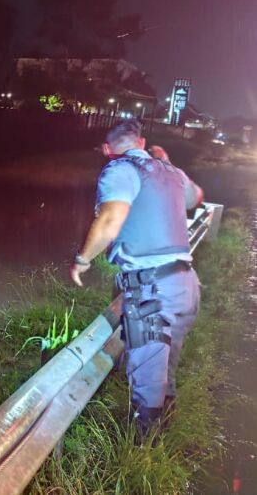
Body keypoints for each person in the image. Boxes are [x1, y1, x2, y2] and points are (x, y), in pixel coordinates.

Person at [70, 119, 204, 435]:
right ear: (141, 143)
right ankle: (165, 441)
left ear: (107, 149)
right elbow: (196, 198)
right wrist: (168, 162)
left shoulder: (119, 171)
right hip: (186, 286)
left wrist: (82, 260)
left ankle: (142, 456)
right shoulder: (171, 172)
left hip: (152, 291)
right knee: (165, 371)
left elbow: (111, 220)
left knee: (147, 383)